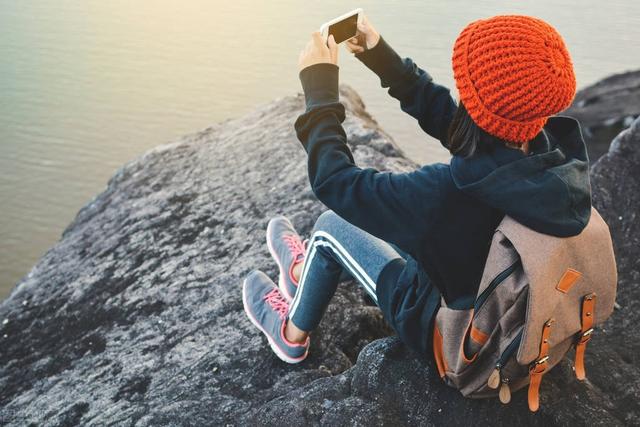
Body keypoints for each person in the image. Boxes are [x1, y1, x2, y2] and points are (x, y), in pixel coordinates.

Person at [242, 14, 590, 364]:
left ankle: (291, 332)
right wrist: (378, 54)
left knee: (329, 227)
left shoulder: (444, 194)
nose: (461, 89)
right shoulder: (549, 156)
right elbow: (459, 125)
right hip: (485, 285)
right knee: (367, 226)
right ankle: (305, 273)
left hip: (441, 326)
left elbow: (336, 183)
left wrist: (318, 90)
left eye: (466, 86)